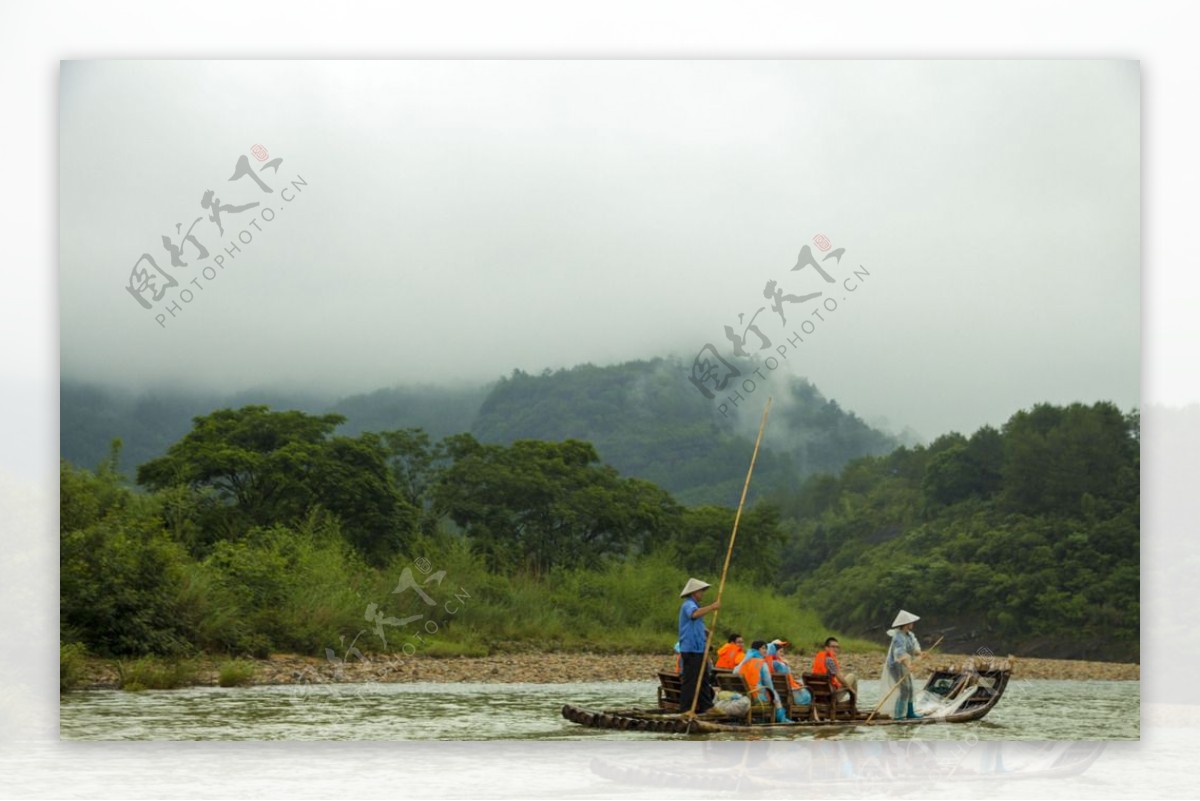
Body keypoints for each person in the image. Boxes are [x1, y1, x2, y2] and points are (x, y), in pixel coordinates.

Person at [677, 577, 720, 714]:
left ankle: (707, 706)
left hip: (699, 648)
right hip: (690, 649)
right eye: (701, 591)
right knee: (691, 679)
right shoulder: (688, 604)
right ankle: (686, 709)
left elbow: (696, 624)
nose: (702, 594)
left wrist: (705, 632)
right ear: (694, 592)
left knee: (703, 679)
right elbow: (694, 615)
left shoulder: (696, 606)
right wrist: (712, 607)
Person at [736, 640, 794, 723]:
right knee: (774, 695)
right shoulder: (762, 663)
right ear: (757, 650)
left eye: (766, 648)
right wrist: (773, 696)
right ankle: (782, 719)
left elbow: (735, 673)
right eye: (763, 648)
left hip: (743, 694)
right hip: (757, 697)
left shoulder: (743, 663)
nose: (765, 651)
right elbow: (768, 684)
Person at [883, 609, 924, 720]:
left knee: (910, 688)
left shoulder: (909, 635)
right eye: (910, 622)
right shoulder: (898, 637)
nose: (912, 624)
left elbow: (913, 649)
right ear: (905, 624)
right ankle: (899, 715)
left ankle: (910, 713)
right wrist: (908, 665)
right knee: (904, 688)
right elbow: (900, 654)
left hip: (905, 664)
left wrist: (920, 653)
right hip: (896, 665)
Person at [765, 638, 811, 707]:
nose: (782, 653)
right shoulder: (780, 665)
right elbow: (788, 682)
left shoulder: (767, 664)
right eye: (780, 651)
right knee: (809, 694)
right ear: (773, 651)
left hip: (778, 693)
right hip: (789, 695)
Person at [811, 636, 858, 701]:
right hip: (831, 697)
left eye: (837, 647)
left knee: (844, 679)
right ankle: (854, 701)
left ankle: (852, 700)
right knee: (852, 676)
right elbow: (839, 677)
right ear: (826, 648)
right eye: (833, 647)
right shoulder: (829, 660)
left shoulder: (819, 658)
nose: (835, 649)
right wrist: (851, 689)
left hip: (818, 696)